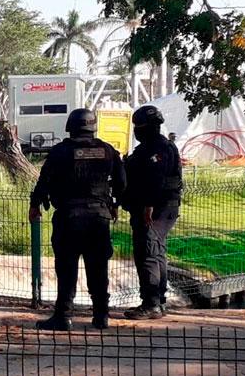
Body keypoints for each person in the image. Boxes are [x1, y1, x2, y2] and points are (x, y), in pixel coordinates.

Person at [29, 109, 126, 331]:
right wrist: (114, 204)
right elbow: (122, 182)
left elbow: (44, 180)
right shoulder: (108, 151)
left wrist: (35, 205)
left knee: (66, 268)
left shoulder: (60, 152)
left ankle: (63, 316)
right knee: (98, 268)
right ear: (93, 127)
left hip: (68, 218)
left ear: (70, 127)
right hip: (98, 218)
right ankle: (101, 316)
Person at [122, 105, 183, 320]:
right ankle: (158, 301)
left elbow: (155, 180)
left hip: (155, 210)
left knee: (147, 254)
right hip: (164, 208)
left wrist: (148, 205)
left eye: (138, 126)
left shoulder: (156, 149)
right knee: (157, 253)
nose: (136, 130)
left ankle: (151, 304)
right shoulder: (160, 147)